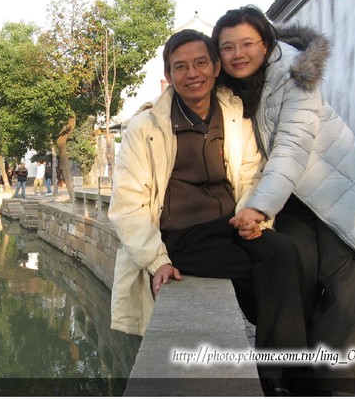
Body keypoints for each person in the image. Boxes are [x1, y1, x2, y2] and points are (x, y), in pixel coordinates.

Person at [108, 29, 309, 395]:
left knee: (283, 251)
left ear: (216, 67)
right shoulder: (145, 128)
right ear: (168, 75)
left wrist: (253, 215)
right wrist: (156, 260)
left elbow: (251, 172)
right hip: (180, 236)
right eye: (180, 67)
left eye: (201, 63)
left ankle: (280, 376)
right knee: (271, 277)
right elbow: (127, 204)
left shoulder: (234, 114)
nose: (192, 74)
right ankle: (283, 380)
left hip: (230, 225)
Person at [212, 6, 355, 395]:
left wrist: (258, 207)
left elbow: (291, 147)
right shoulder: (226, 89)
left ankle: (337, 390)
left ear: (266, 43)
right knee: (295, 291)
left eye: (247, 43)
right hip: (291, 200)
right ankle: (295, 385)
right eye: (227, 47)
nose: (238, 54)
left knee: (344, 300)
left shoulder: (294, 75)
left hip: (341, 195)